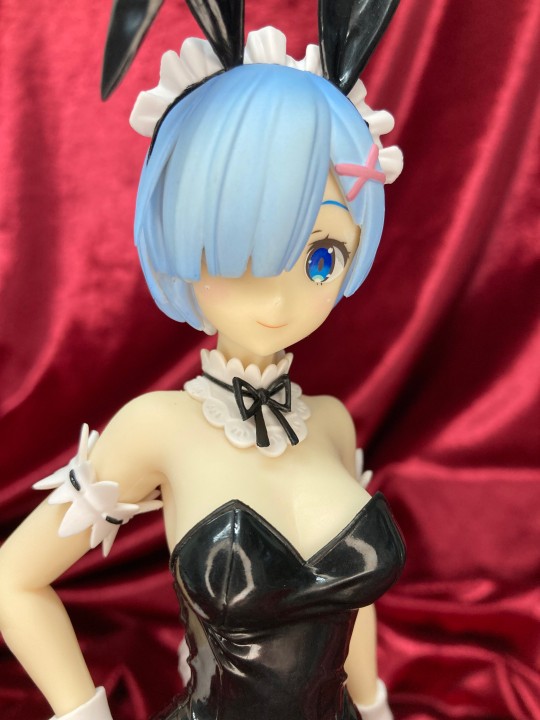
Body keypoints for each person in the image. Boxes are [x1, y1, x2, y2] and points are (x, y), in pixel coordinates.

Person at [0, 5, 405, 720]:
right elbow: (13, 580)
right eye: (246, 249)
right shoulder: (157, 428)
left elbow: (354, 609)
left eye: (320, 257)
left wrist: (374, 706)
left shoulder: (333, 426)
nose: (280, 298)